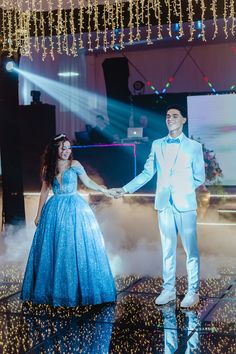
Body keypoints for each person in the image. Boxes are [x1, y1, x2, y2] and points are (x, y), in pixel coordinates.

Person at [110, 105, 205, 308]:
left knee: (191, 251)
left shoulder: (194, 147)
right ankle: (169, 289)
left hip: (185, 204)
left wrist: (182, 190)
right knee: (167, 249)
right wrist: (125, 189)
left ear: (184, 120)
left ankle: (193, 291)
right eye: (168, 116)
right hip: (164, 205)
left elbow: (199, 177)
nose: (170, 118)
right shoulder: (157, 144)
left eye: (175, 115)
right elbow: (147, 173)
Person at [21, 133, 116, 307]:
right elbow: (44, 192)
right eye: (62, 148)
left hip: (75, 208)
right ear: (55, 149)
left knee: (75, 246)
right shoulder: (48, 168)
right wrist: (38, 214)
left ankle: (77, 291)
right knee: (54, 249)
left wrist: (104, 190)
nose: (66, 151)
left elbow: (87, 182)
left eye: (68, 147)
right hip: (54, 208)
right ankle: (55, 292)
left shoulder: (75, 165)